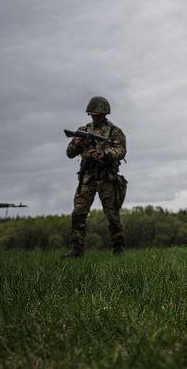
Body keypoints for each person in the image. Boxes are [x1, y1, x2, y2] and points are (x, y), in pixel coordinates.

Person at [63, 96, 127, 257]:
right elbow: (70, 153)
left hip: (108, 178)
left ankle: (118, 249)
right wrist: (76, 143)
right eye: (93, 114)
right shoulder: (83, 131)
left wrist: (105, 154)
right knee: (78, 213)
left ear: (105, 114)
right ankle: (76, 249)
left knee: (112, 215)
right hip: (88, 178)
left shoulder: (114, 132)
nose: (95, 117)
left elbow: (121, 151)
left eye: (98, 114)